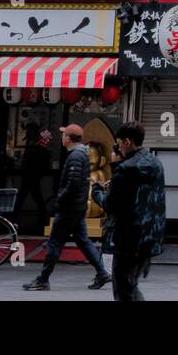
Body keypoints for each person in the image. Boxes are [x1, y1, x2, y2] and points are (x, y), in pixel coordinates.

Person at [22, 124, 112, 291]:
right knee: (83, 241)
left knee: (54, 242)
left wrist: (60, 199)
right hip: (77, 207)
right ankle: (102, 272)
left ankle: (43, 279)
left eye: (64, 135)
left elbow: (73, 183)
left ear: (69, 138)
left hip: (69, 208)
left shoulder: (76, 156)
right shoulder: (80, 154)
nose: (62, 137)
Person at [91, 121, 166, 301]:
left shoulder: (125, 169)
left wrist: (97, 191)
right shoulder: (155, 163)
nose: (118, 148)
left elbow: (111, 206)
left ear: (127, 142)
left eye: (118, 144)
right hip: (149, 235)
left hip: (127, 238)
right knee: (130, 286)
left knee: (123, 288)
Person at [12, 122, 51, 232]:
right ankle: (43, 217)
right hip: (31, 173)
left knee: (25, 197)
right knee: (35, 196)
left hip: (31, 173)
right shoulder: (32, 142)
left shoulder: (36, 144)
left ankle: (15, 218)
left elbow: (36, 158)